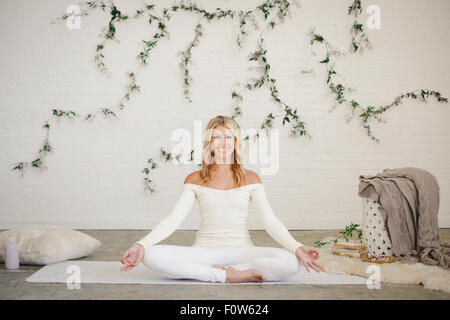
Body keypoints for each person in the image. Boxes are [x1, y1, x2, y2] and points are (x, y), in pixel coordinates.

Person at [120, 115, 324, 283]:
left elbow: (269, 221)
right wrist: (142, 244)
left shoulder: (251, 178)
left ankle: (235, 270)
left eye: (228, 137)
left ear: (236, 141)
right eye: (217, 137)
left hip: (242, 251)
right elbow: (174, 219)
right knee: (151, 255)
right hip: (204, 252)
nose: (223, 143)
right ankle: (224, 275)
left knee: (290, 261)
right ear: (210, 143)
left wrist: (296, 247)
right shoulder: (195, 179)